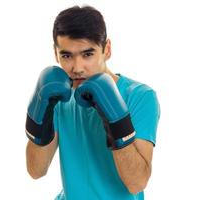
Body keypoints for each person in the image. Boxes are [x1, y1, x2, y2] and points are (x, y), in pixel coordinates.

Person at [25, 5, 160, 200]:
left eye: (88, 54)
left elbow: (136, 182)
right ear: (56, 54)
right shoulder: (58, 95)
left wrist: (115, 120)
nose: (77, 68)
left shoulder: (140, 96)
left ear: (107, 49)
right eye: (66, 55)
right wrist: (40, 111)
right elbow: (36, 171)